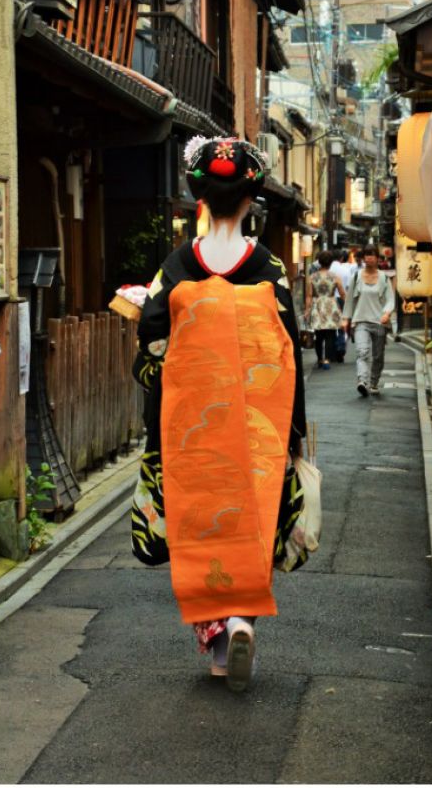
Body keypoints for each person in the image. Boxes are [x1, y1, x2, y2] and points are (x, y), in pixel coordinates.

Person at [128, 135, 308, 693]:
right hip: (259, 422)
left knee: (200, 525)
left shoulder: (177, 266)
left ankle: (217, 642)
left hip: (191, 424)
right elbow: (289, 352)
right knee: (253, 522)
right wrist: (296, 430)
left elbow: (152, 346)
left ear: (199, 197)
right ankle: (241, 622)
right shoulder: (269, 267)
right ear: (251, 200)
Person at [342, 244, 395, 397]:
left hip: (379, 322)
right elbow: (350, 299)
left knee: (378, 356)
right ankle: (362, 381)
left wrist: (386, 313)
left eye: (372, 255)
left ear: (378, 258)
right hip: (361, 321)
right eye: (367, 255)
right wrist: (346, 318)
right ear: (363, 258)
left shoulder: (384, 278)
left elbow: (390, 300)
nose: (369, 258)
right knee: (362, 352)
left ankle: (373, 382)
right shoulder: (356, 276)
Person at [304, 250, 345, 369]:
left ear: (319, 262)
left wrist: (307, 310)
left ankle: (320, 359)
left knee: (319, 334)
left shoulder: (312, 277)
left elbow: (309, 296)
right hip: (331, 305)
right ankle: (327, 359)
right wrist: (347, 307)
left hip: (317, 305)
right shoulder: (335, 277)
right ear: (331, 263)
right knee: (330, 334)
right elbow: (342, 293)